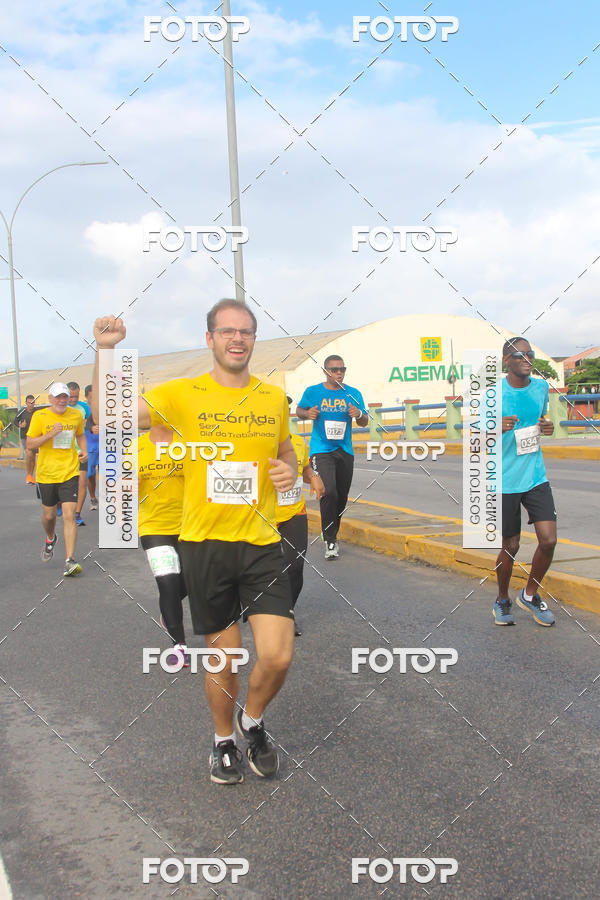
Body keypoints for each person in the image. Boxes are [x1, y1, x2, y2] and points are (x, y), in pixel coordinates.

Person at [92, 299, 297, 785]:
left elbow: (284, 449)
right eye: (226, 331)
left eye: (245, 331)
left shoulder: (270, 399)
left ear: (253, 339)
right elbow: (109, 413)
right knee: (224, 659)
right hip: (204, 545)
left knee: (277, 654)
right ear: (210, 339)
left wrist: (288, 472)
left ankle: (254, 720)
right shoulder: (183, 394)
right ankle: (224, 739)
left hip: (261, 543)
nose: (237, 339)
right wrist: (105, 352)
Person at [494, 337, 557, 627]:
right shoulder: (493, 395)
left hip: (535, 475)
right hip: (505, 480)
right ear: (507, 359)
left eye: (530, 354)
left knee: (549, 539)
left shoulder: (541, 387)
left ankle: (529, 595)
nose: (527, 359)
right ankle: (502, 599)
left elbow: (543, 420)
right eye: (520, 355)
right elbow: (476, 439)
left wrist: (548, 426)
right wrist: (495, 429)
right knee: (512, 545)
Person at [296, 355, 368, 560]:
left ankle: (330, 531)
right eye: (334, 370)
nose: (339, 373)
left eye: (342, 369)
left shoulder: (353, 393)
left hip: (345, 450)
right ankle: (330, 539)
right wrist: (307, 413)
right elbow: (299, 410)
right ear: (326, 371)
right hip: (321, 449)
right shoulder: (313, 392)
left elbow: (364, 421)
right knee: (329, 492)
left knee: (341, 496)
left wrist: (358, 414)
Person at [26, 382, 87, 576]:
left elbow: (80, 435)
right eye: (58, 397)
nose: (62, 400)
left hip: (69, 471)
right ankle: (51, 537)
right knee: (50, 516)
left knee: (69, 516)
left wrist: (84, 451)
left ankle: (70, 560)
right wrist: (50, 434)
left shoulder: (76, 415)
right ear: (50, 399)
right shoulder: (40, 416)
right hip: (46, 474)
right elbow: (30, 443)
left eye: (65, 397)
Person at [138, 424, 188, 658]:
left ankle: (168, 611)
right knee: (168, 582)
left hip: (190, 525)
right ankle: (179, 645)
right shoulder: (135, 448)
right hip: (153, 526)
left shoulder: (189, 444)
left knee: (189, 583)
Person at [276, 398, 325, 637]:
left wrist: (313, 475)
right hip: (261, 516)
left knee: (295, 567)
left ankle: (287, 615)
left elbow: (304, 468)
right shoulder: (256, 444)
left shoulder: (297, 442)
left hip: (294, 511)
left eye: (284, 411)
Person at [67, 382, 89, 526]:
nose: (73, 399)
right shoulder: (60, 408)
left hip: (80, 450)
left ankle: (77, 514)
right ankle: (59, 503)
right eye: (70, 396)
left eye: (76, 396)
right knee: (66, 483)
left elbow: (93, 424)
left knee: (82, 482)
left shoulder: (85, 408)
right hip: (64, 453)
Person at [15, 395, 37, 483]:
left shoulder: (37, 412)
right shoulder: (22, 411)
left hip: (35, 437)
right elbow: (15, 421)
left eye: (32, 403)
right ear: (26, 403)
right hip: (25, 437)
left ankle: (31, 475)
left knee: (33, 456)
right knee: (29, 454)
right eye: (29, 403)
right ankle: (29, 475)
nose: (31, 405)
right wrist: (20, 425)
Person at [84, 385, 99, 510]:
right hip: (90, 445)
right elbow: (87, 422)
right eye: (91, 397)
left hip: (105, 444)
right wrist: (90, 428)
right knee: (90, 474)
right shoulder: (83, 409)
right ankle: (93, 498)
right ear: (86, 397)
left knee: (109, 472)